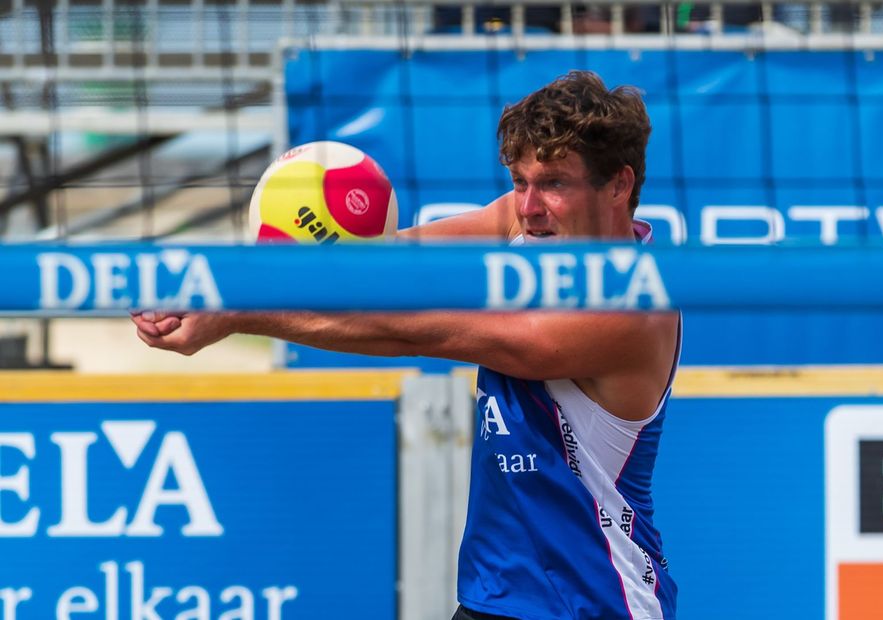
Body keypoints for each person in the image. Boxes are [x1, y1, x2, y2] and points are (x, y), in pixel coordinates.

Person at [133, 70, 680, 620]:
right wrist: (221, 282)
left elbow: (414, 330)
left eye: (555, 183)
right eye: (519, 181)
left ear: (618, 185)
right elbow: (381, 259)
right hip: (495, 596)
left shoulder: (635, 305)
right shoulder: (533, 224)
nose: (529, 204)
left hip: (597, 603)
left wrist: (242, 315)